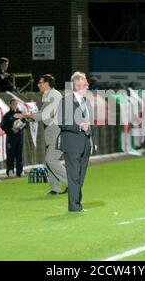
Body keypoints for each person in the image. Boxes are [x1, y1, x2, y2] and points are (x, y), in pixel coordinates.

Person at [58, 72, 96, 212]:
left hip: (85, 143)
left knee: (80, 176)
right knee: (73, 176)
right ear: (77, 85)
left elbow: (91, 123)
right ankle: (75, 206)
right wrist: (78, 126)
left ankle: (76, 203)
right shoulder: (65, 101)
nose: (87, 85)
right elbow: (60, 122)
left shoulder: (86, 101)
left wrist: (93, 140)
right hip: (72, 143)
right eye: (85, 83)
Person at [26, 74, 68, 195]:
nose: (38, 84)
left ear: (47, 84)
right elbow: (43, 113)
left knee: (50, 159)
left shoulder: (54, 95)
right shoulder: (48, 96)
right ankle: (54, 188)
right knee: (49, 161)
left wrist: (32, 116)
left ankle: (72, 183)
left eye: (40, 82)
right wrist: (31, 117)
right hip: (52, 133)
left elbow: (46, 114)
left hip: (58, 132)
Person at [1, 99, 26, 177]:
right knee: (10, 155)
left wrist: (19, 128)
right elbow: (2, 126)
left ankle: (20, 171)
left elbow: (26, 124)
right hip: (10, 138)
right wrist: (11, 129)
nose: (15, 105)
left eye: (16, 104)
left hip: (19, 137)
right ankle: (10, 171)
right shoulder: (7, 115)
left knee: (19, 155)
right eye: (13, 104)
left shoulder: (21, 114)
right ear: (10, 105)